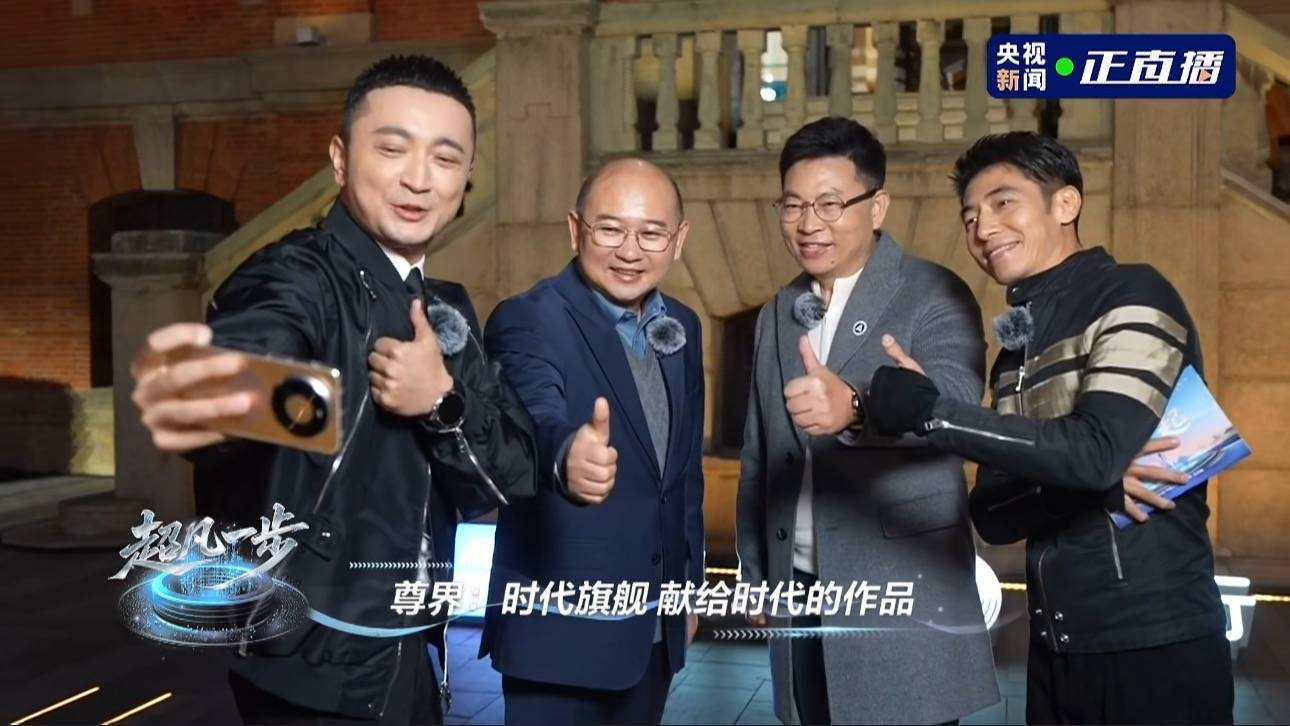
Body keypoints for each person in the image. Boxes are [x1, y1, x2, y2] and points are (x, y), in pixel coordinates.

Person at [129, 54, 537, 724]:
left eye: (444, 158)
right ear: (342, 161)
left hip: (413, 655)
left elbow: (509, 479)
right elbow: (256, 361)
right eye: (392, 149)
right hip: (311, 667)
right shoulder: (294, 277)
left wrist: (440, 401)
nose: (418, 178)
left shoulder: (446, 311)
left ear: (466, 179)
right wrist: (226, 396)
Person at [863, 131, 1232, 724]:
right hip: (1055, 644)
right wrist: (1088, 484)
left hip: (1155, 642)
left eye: (1003, 203)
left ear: (1066, 203)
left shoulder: (1134, 291)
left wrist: (932, 411)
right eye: (970, 216)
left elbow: (1092, 453)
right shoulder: (1017, 347)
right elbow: (992, 511)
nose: (983, 229)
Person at [735, 116, 1000, 725]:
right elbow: (759, 452)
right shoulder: (779, 310)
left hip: (901, 592)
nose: (808, 224)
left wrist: (857, 405)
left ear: (877, 207)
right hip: (798, 588)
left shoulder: (934, 293)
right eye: (793, 205)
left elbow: (957, 403)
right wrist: (754, 569)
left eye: (830, 204)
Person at [480, 158, 705, 725]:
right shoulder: (528, 319)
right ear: (575, 229)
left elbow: (683, 476)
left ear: (678, 240)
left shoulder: (682, 325)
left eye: (651, 233)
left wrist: (687, 592)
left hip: (653, 634)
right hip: (557, 642)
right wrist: (564, 458)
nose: (630, 251)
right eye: (610, 229)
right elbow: (534, 416)